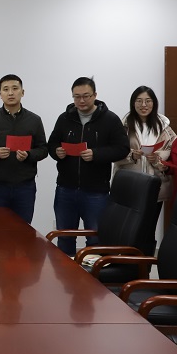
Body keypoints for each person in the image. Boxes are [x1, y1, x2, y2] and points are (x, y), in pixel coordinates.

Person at [47, 77, 129, 257]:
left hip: (96, 191)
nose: (81, 101)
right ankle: (65, 273)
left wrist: (97, 154)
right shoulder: (64, 118)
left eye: (86, 96)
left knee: (95, 239)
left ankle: (92, 274)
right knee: (64, 237)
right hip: (66, 189)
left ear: (95, 95)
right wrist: (56, 151)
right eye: (77, 97)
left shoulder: (110, 119)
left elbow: (123, 148)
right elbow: (52, 143)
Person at [113, 86, 177, 251]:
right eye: (139, 101)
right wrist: (131, 155)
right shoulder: (123, 126)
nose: (144, 105)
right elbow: (114, 153)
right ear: (133, 103)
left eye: (148, 101)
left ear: (154, 103)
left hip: (155, 185)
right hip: (130, 185)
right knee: (128, 228)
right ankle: (128, 263)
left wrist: (158, 158)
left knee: (149, 229)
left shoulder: (164, 127)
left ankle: (145, 264)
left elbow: (174, 152)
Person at [0, 74, 47, 221]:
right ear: (0, 94)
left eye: (15, 88)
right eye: (6, 89)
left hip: (25, 186)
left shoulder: (34, 120)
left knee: (24, 228)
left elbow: (43, 149)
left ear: (22, 92)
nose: (10, 93)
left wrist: (29, 155)